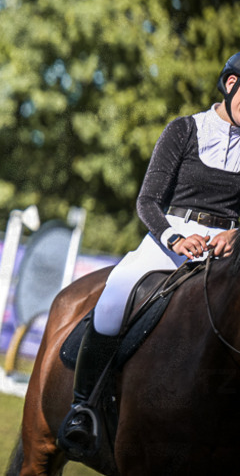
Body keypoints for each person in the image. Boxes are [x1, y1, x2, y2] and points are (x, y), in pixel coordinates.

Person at [58, 52, 240, 459]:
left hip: (227, 250)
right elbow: (147, 201)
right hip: (170, 238)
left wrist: (237, 234)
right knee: (116, 293)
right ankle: (82, 408)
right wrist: (175, 239)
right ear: (231, 85)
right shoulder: (185, 130)